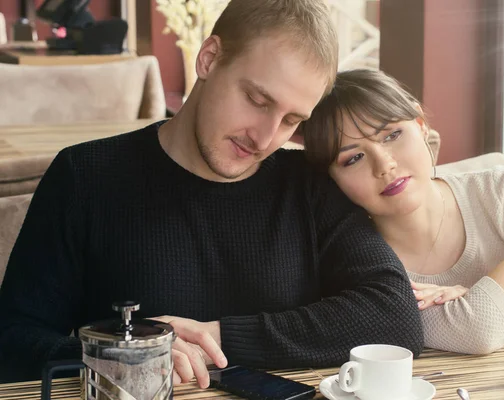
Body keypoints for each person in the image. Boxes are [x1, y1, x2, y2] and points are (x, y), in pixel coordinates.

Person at [0, 2, 424, 385]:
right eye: (257, 100)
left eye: (292, 120)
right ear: (209, 58)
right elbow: (11, 340)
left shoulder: (310, 183)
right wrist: (126, 353)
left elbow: (394, 316)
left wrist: (215, 337)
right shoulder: (84, 177)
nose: (265, 138)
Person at [300, 68, 504, 355]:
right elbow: (479, 330)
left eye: (391, 135)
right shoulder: (353, 263)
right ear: (332, 179)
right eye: (353, 159)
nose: (385, 165)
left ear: (420, 126)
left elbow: (485, 320)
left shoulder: (502, 192)